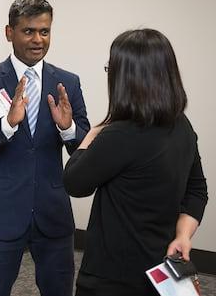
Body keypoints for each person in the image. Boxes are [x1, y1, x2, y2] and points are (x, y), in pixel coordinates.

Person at [0, 0, 90, 296]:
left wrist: (68, 128)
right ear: (9, 33)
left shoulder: (67, 83)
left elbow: (84, 152)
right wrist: (6, 124)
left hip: (53, 214)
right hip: (1, 215)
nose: (38, 40)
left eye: (44, 31)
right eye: (28, 31)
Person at [63, 28, 208, 296]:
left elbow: (74, 182)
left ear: (126, 78)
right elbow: (197, 191)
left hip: (112, 277)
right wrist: (183, 236)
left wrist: (94, 132)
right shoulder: (181, 125)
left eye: (111, 68)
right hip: (161, 271)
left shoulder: (121, 134)